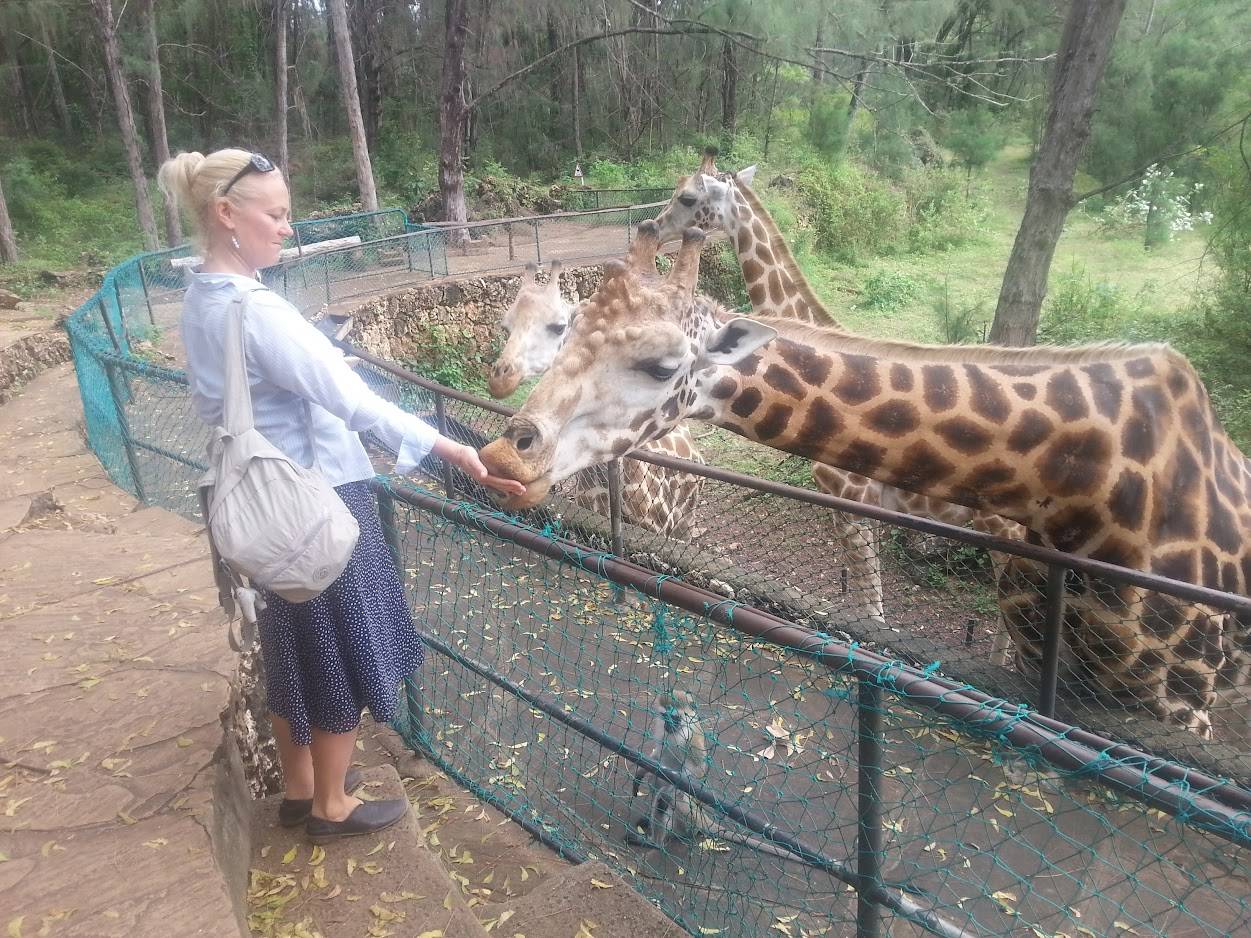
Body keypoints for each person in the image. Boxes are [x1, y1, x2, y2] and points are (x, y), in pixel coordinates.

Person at [157, 149, 524, 843]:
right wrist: (451, 450)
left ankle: (301, 789)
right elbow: (351, 400)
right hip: (316, 506)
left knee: (291, 645)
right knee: (336, 648)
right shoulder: (257, 310)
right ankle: (332, 806)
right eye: (276, 215)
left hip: (257, 506)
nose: (286, 229)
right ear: (227, 215)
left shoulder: (201, 296)